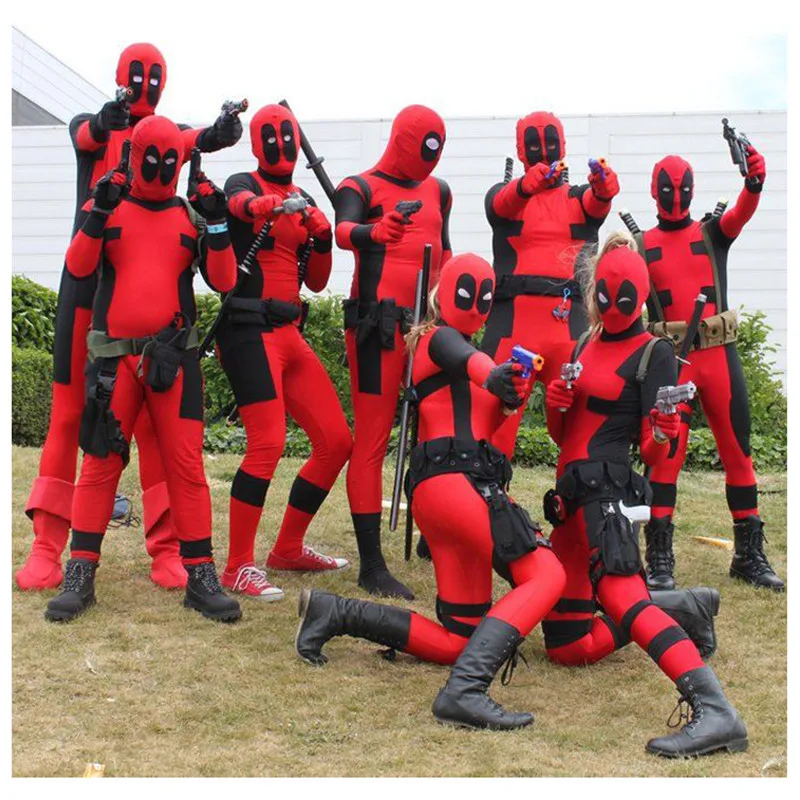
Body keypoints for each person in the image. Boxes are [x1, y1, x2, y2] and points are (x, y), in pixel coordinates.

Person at [295, 254, 567, 731]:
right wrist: (494, 375)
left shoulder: (461, 352)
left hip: (448, 496)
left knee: (461, 639)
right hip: (458, 488)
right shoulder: (433, 338)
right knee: (547, 575)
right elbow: (467, 360)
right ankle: (465, 691)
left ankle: (334, 613)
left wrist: (509, 396)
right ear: (446, 293)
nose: (478, 305)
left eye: (485, 297)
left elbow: (483, 418)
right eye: (469, 293)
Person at [16, 42, 243, 593]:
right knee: (72, 415)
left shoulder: (171, 138)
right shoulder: (96, 123)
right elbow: (87, 133)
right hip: (88, 277)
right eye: (137, 73)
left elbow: (197, 140)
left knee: (159, 428)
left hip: (147, 298)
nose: (146, 82)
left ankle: (168, 547)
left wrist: (220, 132)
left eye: (154, 74)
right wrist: (107, 119)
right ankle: (49, 546)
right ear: (120, 75)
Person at [540, 234, 747, 757]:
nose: (613, 306)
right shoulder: (584, 344)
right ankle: (684, 607)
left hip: (606, 496)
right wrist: (555, 401)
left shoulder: (654, 353)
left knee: (623, 599)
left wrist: (662, 429)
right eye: (604, 296)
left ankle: (716, 711)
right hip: (569, 498)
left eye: (623, 297)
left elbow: (655, 454)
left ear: (640, 293)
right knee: (567, 646)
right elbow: (562, 436)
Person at [216, 103, 353, 601]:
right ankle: (237, 566)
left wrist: (322, 236)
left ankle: (288, 548)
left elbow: (315, 281)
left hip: (290, 331)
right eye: (271, 136)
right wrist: (266, 207)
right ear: (257, 143)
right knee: (267, 443)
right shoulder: (242, 181)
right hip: (247, 330)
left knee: (336, 440)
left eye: (287, 134)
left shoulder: (304, 197)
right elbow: (236, 204)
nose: (281, 144)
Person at [635, 147, 783, 591]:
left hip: (718, 358)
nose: (675, 196)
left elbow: (742, 211)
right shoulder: (641, 246)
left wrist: (754, 181)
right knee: (666, 459)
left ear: (692, 190)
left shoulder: (712, 233)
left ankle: (748, 555)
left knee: (738, 454)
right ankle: (659, 559)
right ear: (654, 191)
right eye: (668, 189)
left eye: (682, 189)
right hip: (673, 363)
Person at [333, 105, 452, 599]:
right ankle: (371, 563)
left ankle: (435, 530)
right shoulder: (359, 187)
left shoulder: (439, 190)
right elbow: (342, 232)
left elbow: (444, 250)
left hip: (427, 327)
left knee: (436, 430)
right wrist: (375, 232)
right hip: (375, 327)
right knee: (373, 439)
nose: (428, 160)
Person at [481, 111, 620, 457]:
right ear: (521, 150)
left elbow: (596, 204)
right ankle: (487, 487)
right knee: (492, 423)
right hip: (513, 324)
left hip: (569, 326)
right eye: (533, 145)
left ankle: (582, 489)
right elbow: (500, 204)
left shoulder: (578, 198)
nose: (543, 152)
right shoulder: (507, 195)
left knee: (580, 426)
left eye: (550, 143)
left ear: (563, 146)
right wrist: (525, 186)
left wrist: (604, 188)